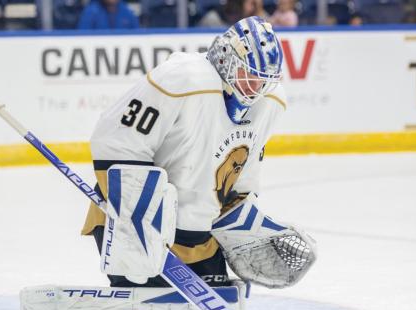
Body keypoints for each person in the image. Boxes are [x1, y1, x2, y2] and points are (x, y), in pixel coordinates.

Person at [81, 16, 317, 289]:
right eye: (249, 75)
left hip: (200, 240)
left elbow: (238, 180)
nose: (255, 88)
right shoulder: (184, 78)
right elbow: (116, 140)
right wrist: (137, 219)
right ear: (227, 59)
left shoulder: (271, 101)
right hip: (137, 228)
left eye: (263, 80)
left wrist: (243, 229)